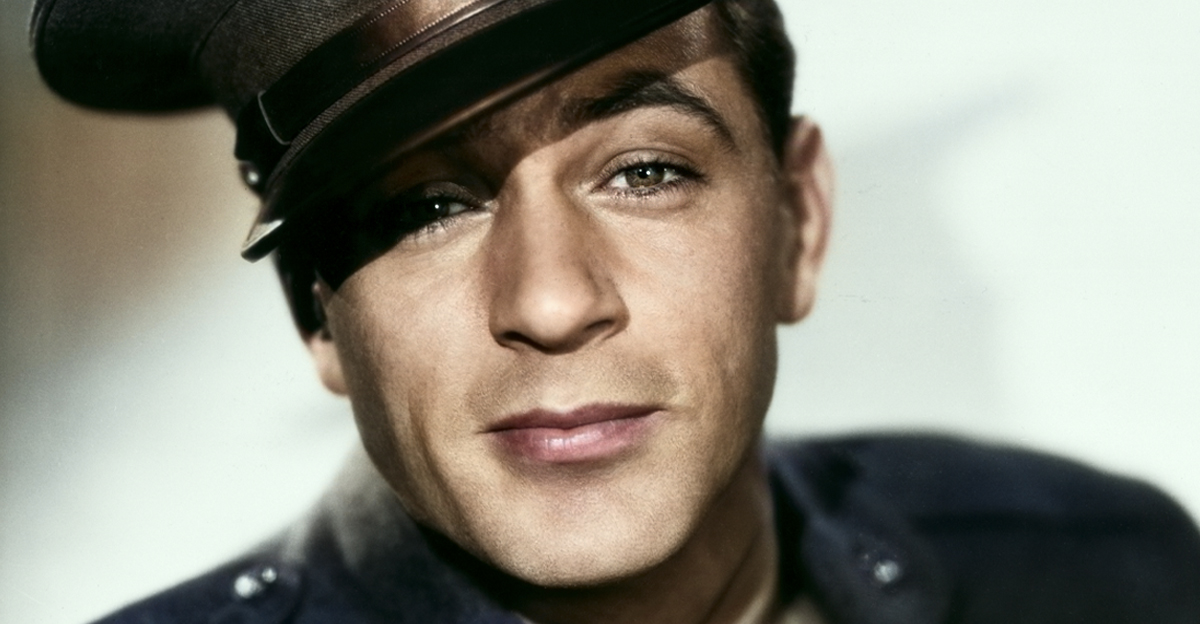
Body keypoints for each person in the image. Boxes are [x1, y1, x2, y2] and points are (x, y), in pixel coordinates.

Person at [30, 0, 1200, 622]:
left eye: (646, 171)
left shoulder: (1098, 571)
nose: (549, 301)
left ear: (797, 223)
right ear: (320, 317)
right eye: (427, 206)